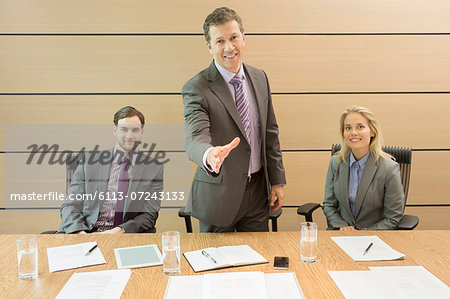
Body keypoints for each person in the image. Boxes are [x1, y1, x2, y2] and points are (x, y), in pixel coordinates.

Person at [182, 7, 286, 232]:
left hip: (258, 194)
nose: (229, 47)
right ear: (209, 47)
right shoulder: (196, 88)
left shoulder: (259, 77)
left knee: (260, 262)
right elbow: (195, 138)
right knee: (219, 265)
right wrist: (209, 154)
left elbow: (270, 133)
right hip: (218, 197)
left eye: (233, 38)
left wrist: (277, 180)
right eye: (220, 41)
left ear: (243, 38)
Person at [58, 106, 163, 234]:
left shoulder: (154, 168)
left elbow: (149, 215)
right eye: (124, 130)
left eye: (135, 130)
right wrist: (81, 234)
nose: (129, 136)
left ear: (142, 132)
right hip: (86, 232)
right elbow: (70, 205)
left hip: (124, 235)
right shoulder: (89, 161)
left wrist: (120, 231)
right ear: (115, 131)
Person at [323, 106, 404, 230]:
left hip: (374, 236)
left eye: (360, 127)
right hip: (341, 233)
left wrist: (360, 233)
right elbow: (329, 205)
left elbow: (393, 217)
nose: (353, 132)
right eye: (348, 128)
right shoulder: (336, 162)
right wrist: (342, 227)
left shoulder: (389, 168)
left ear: (372, 132)